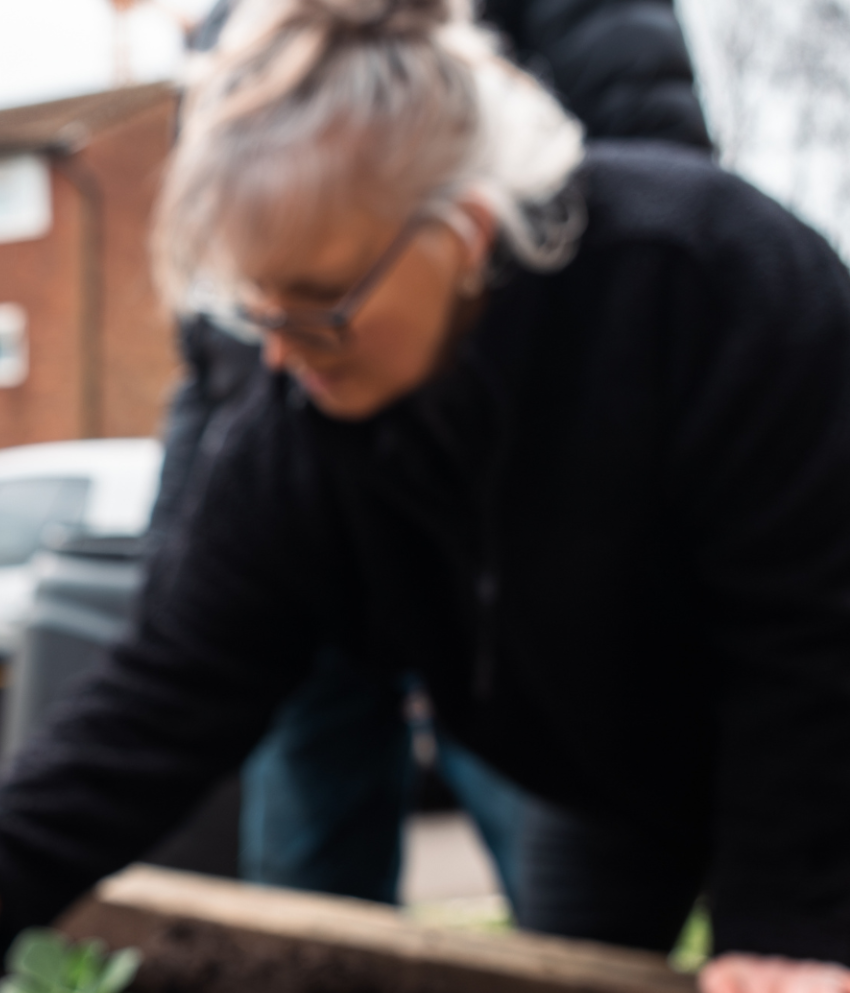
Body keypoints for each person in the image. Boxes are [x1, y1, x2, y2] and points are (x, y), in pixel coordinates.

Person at [0, 0, 850, 993]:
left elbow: (810, 629)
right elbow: (181, 676)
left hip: (822, 741)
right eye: (263, 311)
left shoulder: (706, 280)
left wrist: (793, 916)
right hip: (610, 775)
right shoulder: (305, 430)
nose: (286, 357)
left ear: (466, 227)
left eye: (324, 307)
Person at [158, 0, 712, 911]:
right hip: (306, 509)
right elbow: (209, 343)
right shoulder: (234, 32)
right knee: (308, 869)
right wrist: (183, 545)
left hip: (496, 525)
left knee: (555, 843)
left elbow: (644, 217)